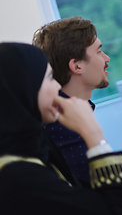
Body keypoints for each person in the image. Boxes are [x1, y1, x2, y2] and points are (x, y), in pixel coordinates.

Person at [0, 43, 122, 214]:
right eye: (49, 78)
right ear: (25, 88)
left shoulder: (34, 145)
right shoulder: (16, 176)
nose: (57, 87)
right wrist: (94, 136)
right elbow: (120, 209)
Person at [33, 16, 110, 187]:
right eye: (98, 51)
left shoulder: (68, 113)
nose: (106, 58)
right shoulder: (60, 123)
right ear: (77, 66)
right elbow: (105, 188)